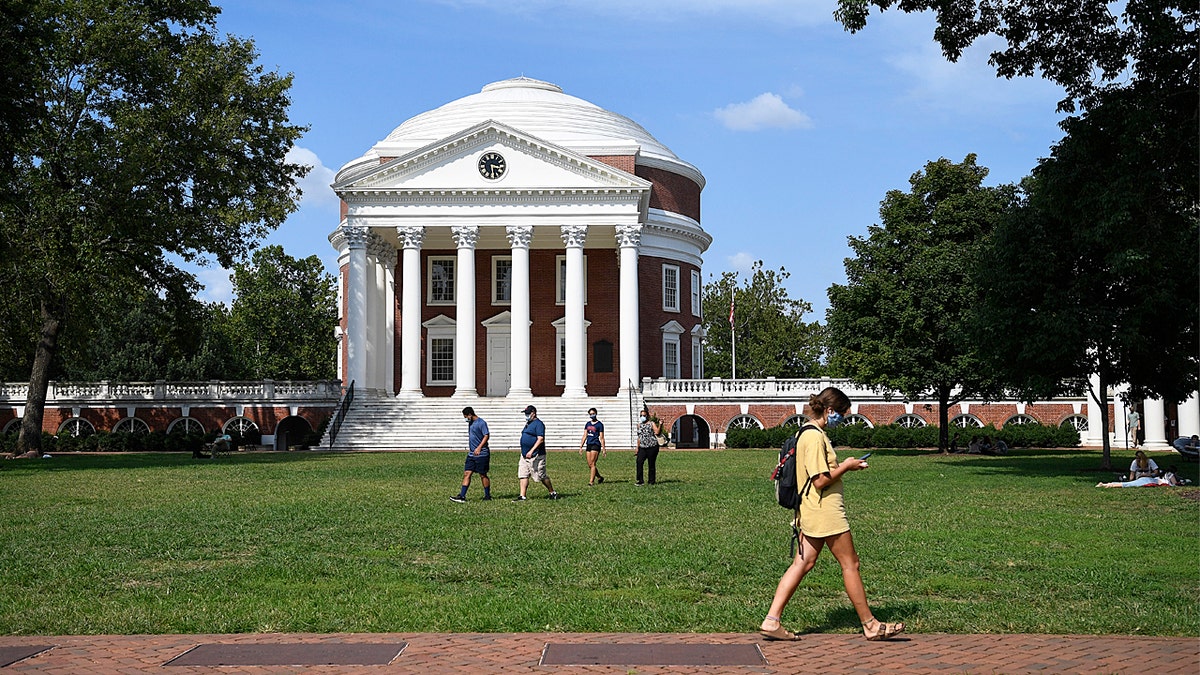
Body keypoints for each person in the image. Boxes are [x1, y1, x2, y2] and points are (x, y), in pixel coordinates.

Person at [759, 386, 905, 642]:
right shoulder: (814, 437)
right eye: (841, 413)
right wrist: (847, 466)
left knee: (803, 563)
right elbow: (820, 480)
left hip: (811, 510)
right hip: (825, 511)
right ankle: (870, 625)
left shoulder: (805, 432)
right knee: (851, 564)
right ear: (829, 410)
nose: (842, 418)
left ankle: (772, 620)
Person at [515, 405, 558, 501]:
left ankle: (552, 492)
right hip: (524, 454)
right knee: (523, 474)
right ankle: (522, 496)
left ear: (533, 413)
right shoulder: (528, 424)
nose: (526, 415)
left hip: (536, 455)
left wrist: (531, 451)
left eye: (528, 413)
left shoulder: (539, 424)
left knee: (540, 475)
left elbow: (540, 439)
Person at [450, 407, 491, 503]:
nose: (465, 419)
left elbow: (486, 435)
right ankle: (462, 496)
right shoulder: (470, 423)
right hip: (471, 454)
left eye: (465, 417)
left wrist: (479, 447)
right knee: (467, 474)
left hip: (482, 454)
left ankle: (487, 495)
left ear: (470, 415)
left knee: (482, 475)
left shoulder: (481, 423)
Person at [579, 407, 606, 486]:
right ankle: (600, 477)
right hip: (589, 444)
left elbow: (602, 437)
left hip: (595, 444)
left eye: (593, 414)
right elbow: (585, 435)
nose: (592, 415)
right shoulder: (588, 424)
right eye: (590, 414)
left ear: (596, 413)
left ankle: (591, 482)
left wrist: (604, 448)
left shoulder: (599, 424)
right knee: (589, 464)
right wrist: (581, 446)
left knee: (593, 463)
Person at [635, 407, 661, 486]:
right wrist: (637, 447)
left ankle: (651, 481)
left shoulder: (651, 423)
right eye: (641, 415)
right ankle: (640, 480)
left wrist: (660, 424)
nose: (643, 417)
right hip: (642, 447)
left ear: (647, 416)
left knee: (651, 463)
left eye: (644, 415)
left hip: (652, 446)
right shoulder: (639, 425)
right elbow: (639, 437)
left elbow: (657, 432)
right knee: (639, 462)